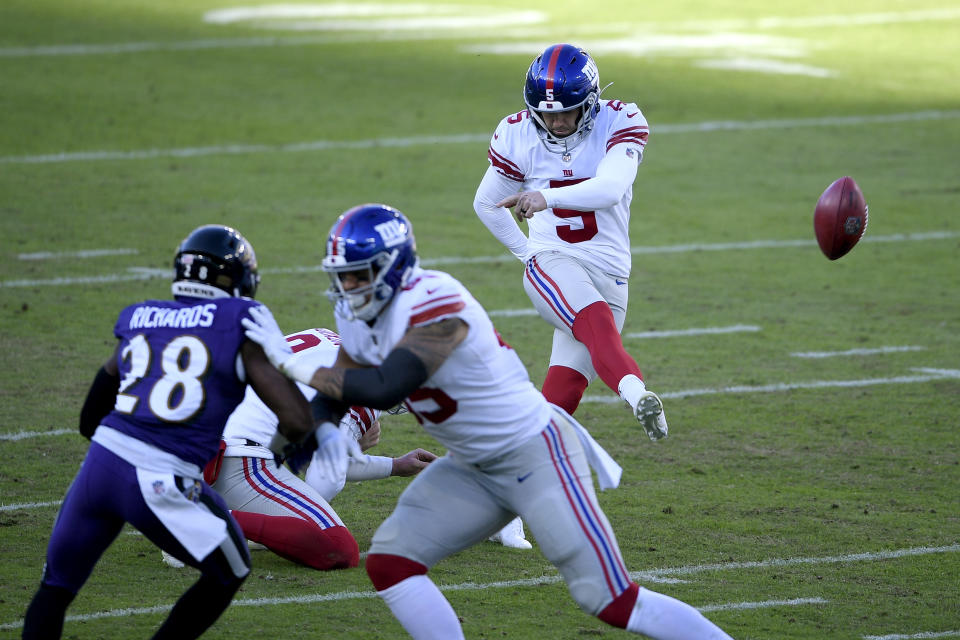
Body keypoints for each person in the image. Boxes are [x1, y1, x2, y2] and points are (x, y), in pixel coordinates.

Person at [241, 204, 733, 639]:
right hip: (471, 467)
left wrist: (286, 361)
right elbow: (340, 385)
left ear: (393, 268)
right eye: (341, 275)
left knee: (609, 601)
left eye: (358, 274)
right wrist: (326, 430)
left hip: (536, 455)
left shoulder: (436, 300)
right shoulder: (357, 314)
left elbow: (385, 386)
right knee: (391, 563)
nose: (347, 287)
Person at [21, 225, 316, 640]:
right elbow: (298, 421)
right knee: (231, 570)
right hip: (161, 477)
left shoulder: (142, 316)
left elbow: (90, 418)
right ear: (237, 279)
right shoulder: (238, 320)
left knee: (55, 589)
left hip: (99, 468)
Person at [472, 43, 668, 442]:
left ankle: (515, 491)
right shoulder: (517, 134)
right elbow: (487, 204)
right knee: (595, 319)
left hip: (610, 268)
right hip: (553, 259)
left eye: (566, 111)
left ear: (591, 102)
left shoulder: (619, 120)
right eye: (547, 113)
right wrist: (528, 255)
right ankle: (639, 395)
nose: (557, 121)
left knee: (561, 395)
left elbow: (611, 188)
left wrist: (549, 196)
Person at [197, 326, 438, 571]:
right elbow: (324, 481)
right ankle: (200, 518)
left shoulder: (326, 339)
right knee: (337, 547)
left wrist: (394, 466)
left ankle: (202, 507)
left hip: (194, 447)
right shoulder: (365, 384)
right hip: (238, 462)